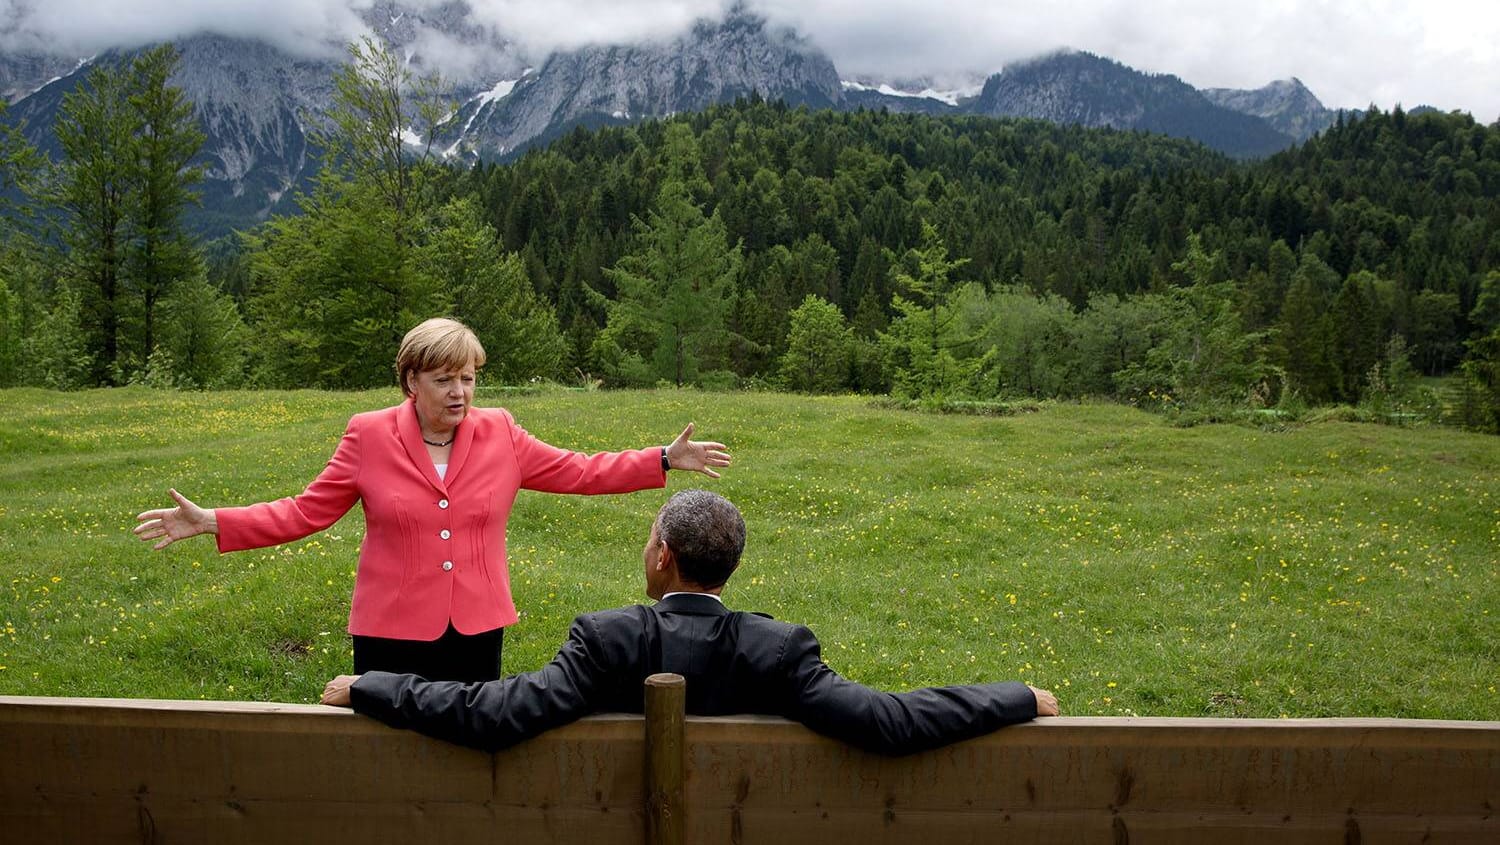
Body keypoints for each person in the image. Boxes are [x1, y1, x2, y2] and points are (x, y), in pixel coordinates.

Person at [134, 318, 731, 683]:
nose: (460, 391)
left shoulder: (500, 431)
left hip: (475, 627)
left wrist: (661, 458)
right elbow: (306, 510)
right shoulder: (368, 435)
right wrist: (214, 521)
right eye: (445, 379)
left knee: (466, 742)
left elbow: (578, 470)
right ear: (411, 381)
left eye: (468, 377)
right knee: (388, 750)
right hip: (390, 628)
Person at [322, 489, 1058, 756]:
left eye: (649, 539)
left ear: (664, 557)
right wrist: (1017, 697)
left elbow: (493, 712)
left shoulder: (607, 641)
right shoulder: (778, 650)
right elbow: (891, 720)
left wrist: (372, 685)